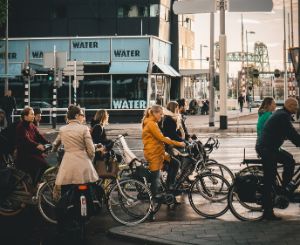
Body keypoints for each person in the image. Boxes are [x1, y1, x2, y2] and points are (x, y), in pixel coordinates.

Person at [52, 105, 99, 231]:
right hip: (83, 164)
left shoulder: (63, 129)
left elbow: (56, 144)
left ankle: (67, 217)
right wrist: (89, 159)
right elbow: (91, 150)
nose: (83, 117)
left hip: (68, 164)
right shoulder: (84, 129)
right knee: (88, 187)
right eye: (82, 114)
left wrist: (54, 149)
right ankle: (90, 209)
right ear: (77, 116)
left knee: (66, 190)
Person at [257, 97, 300, 220]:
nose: (297, 108)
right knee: (269, 178)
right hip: (267, 149)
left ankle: (285, 188)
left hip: (269, 147)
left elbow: (290, 134)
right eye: (295, 106)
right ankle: (268, 211)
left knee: (289, 160)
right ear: (290, 106)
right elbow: (292, 134)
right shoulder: (283, 116)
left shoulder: (282, 114)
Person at [142, 105, 185, 199]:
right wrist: (179, 143)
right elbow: (161, 138)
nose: (161, 116)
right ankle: (153, 199)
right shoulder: (151, 124)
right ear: (154, 113)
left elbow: (160, 137)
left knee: (175, 163)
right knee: (155, 178)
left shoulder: (153, 122)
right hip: (153, 153)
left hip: (159, 151)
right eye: (160, 114)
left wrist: (167, 139)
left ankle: (169, 186)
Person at [15, 107, 50, 185]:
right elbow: (26, 140)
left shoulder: (31, 125)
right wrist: (37, 145)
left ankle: (34, 184)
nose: (33, 116)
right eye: (32, 114)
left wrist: (48, 142)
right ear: (25, 116)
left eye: (34, 114)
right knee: (43, 165)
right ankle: (34, 185)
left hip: (32, 153)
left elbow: (39, 136)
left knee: (45, 166)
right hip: (24, 155)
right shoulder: (20, 127)